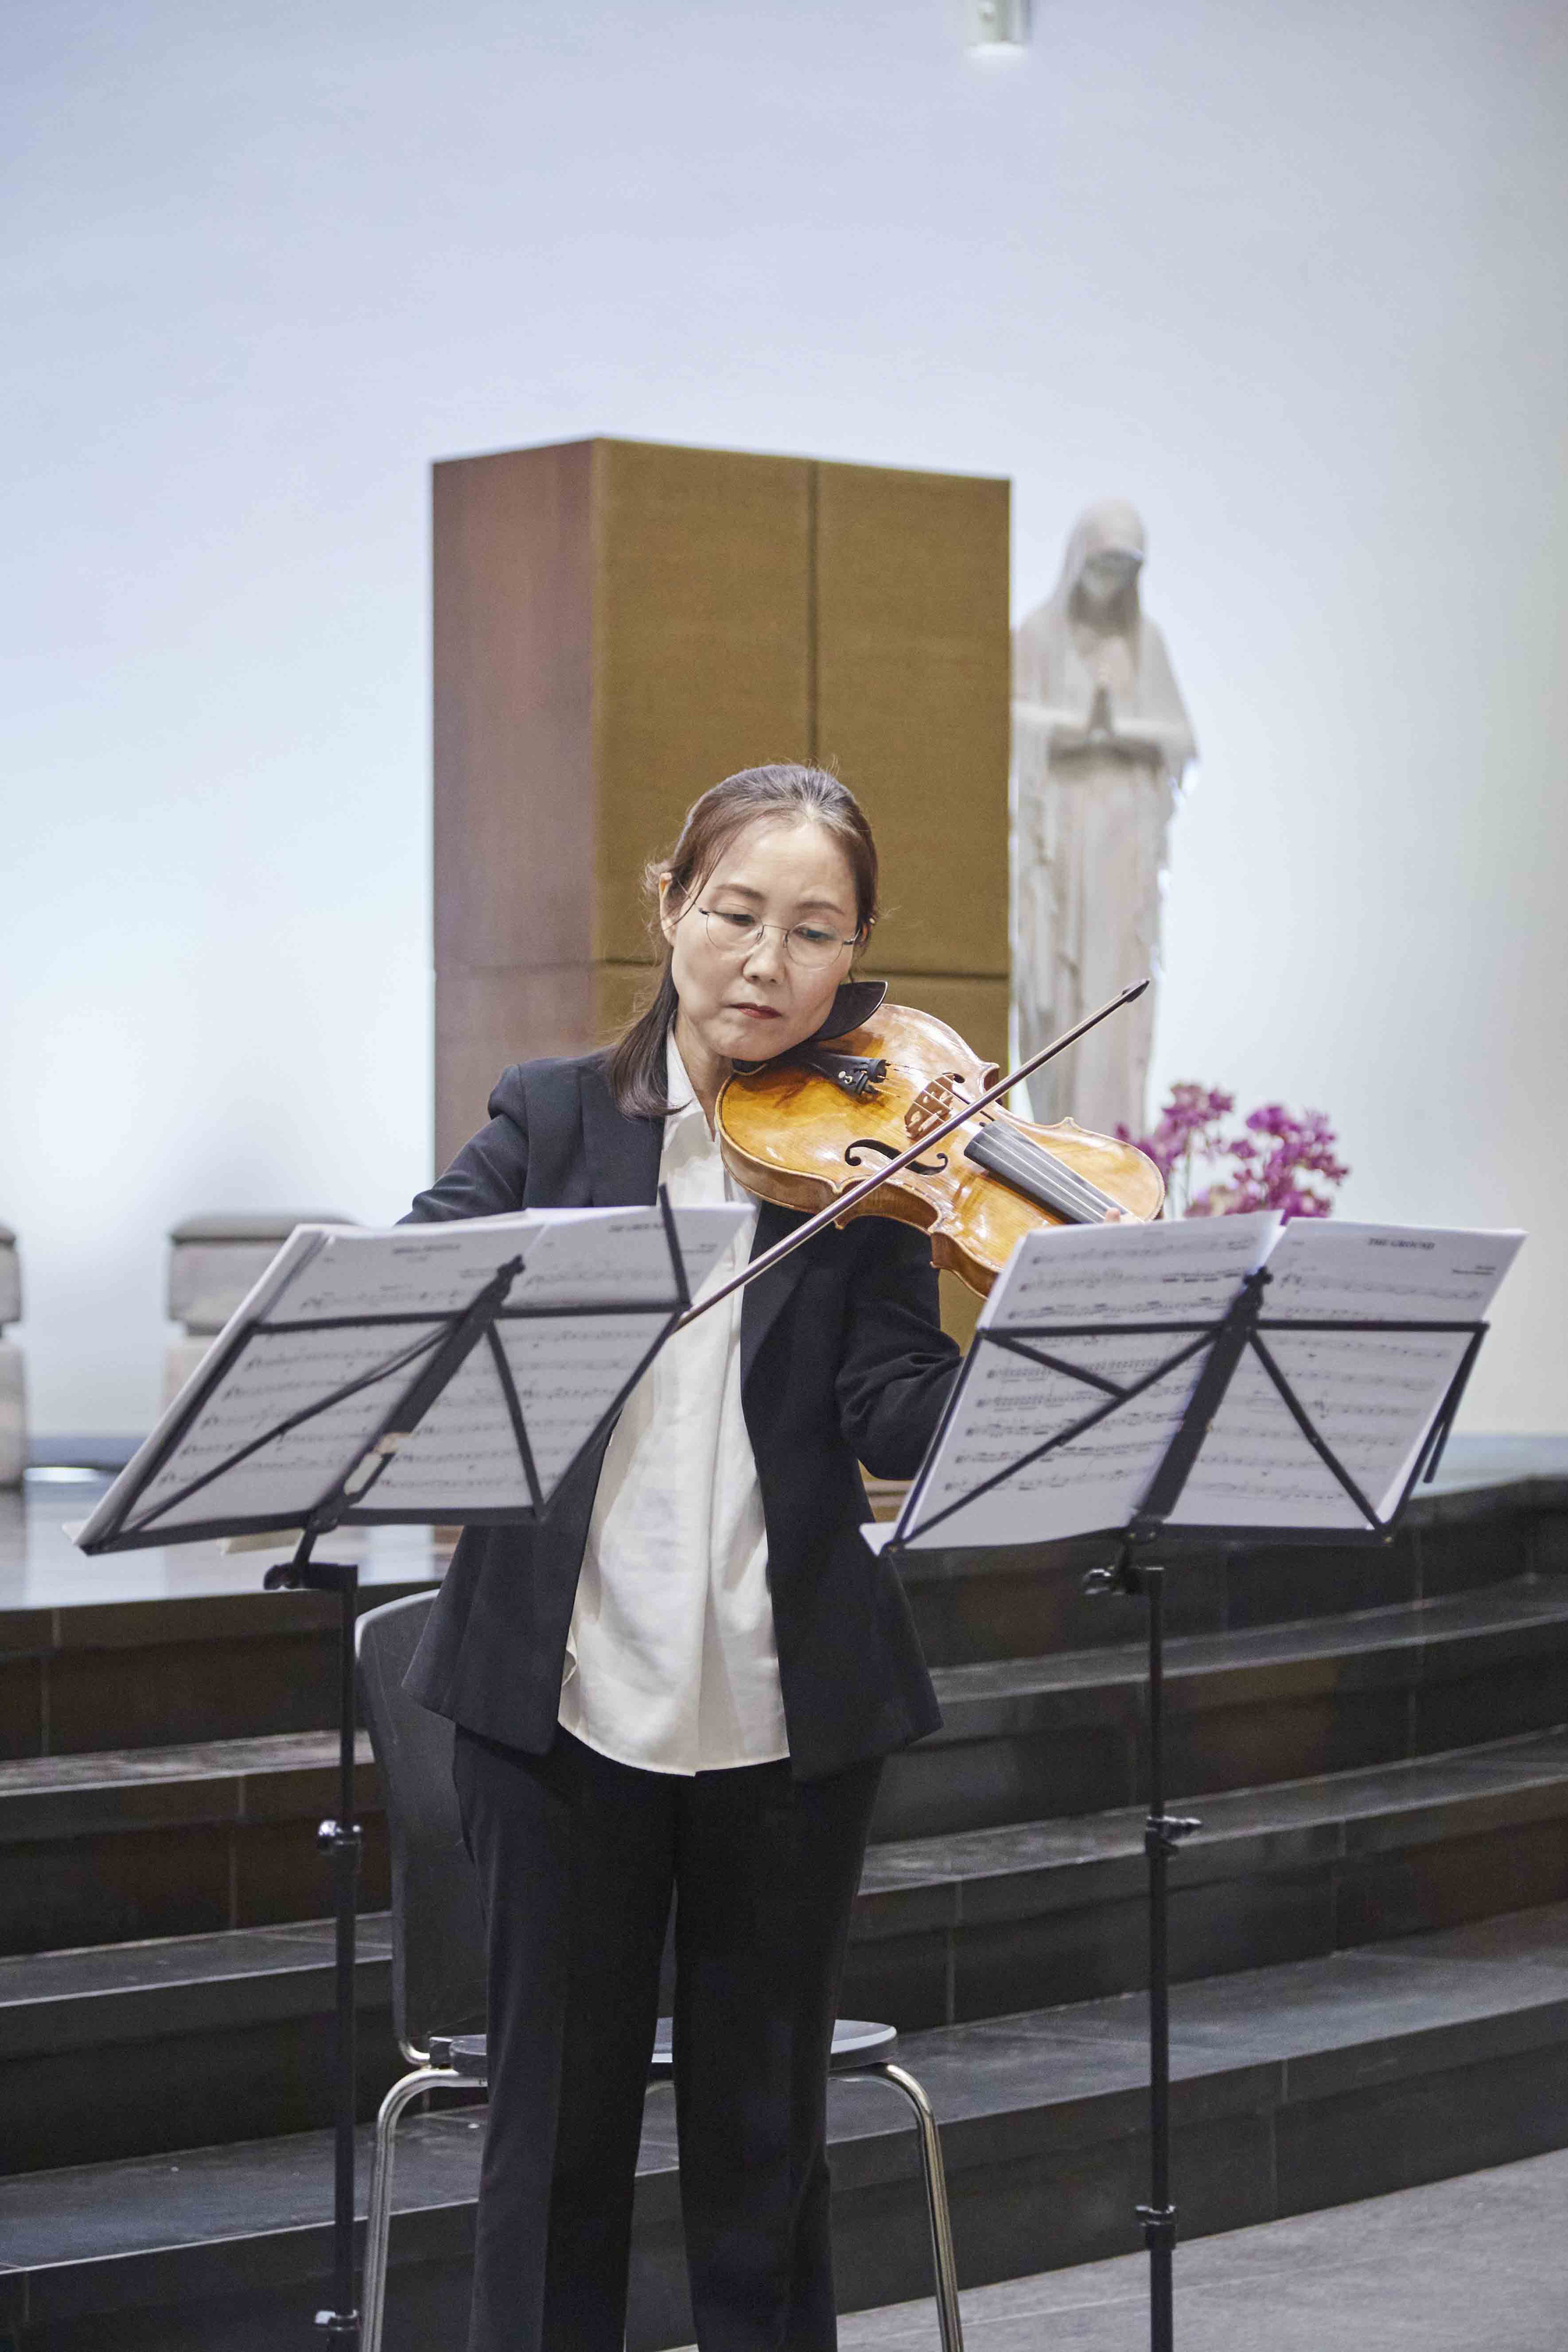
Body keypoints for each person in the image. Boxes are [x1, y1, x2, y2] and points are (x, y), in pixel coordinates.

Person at [402, 762, 961, 2352]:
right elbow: (422, 1283)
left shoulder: (870, 1162)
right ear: (668, 906)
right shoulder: (550, 1116)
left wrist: (1047, 1314)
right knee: (553, 2148)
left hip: (785, 1714)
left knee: (764, 2149)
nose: (767, 964)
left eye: (815, 931)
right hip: (560, 1705)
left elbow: (889, 1404)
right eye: (736, 914)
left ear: (855, 955)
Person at [1012, 498, 1197, 1138]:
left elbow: (1183, 739)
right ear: (1077, 562)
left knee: (1118, 983)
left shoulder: (1146, 642)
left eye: (1124, 569)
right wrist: (1072, 729)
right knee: (1059, 989)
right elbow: (1006, 717)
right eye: (1101, 566)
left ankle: (1115, 1137)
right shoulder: (1039, 634)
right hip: (1061, 835)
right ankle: (1062, 1131)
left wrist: (1124, 732)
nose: (1110, 582)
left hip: (1123, 839)